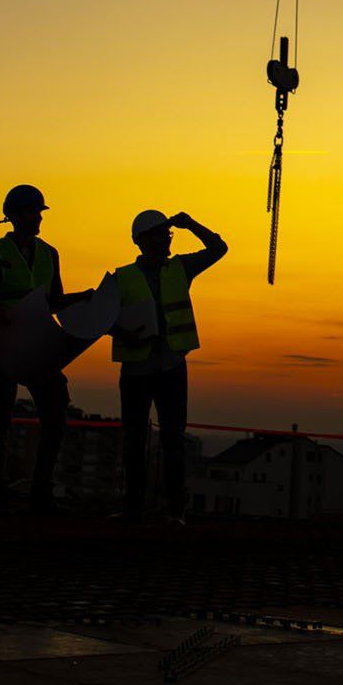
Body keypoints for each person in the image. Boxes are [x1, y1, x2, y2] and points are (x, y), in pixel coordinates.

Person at [112, 209, 227, 523]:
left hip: (171, 366)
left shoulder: (180, 268)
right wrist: (121, 332)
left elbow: (219, 249)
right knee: (135, 441)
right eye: (161, 234)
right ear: (143, 241)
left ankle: (175, 509)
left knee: (173, 440)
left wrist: (191, 224)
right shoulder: (122, 277)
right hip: (137, 369)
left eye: (168, 233)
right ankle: (133, 508)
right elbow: (102, 317)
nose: (167, 239)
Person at [0, 183, 75, 513]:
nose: (37, 218)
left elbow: (55, 301)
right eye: (32, 212)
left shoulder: (49, 254)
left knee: (56, 412)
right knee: (0, 417)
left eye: (38, 212)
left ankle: (41, 487)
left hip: (41, 344)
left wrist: (88, 299)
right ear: (14, 216)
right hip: (5, 344)